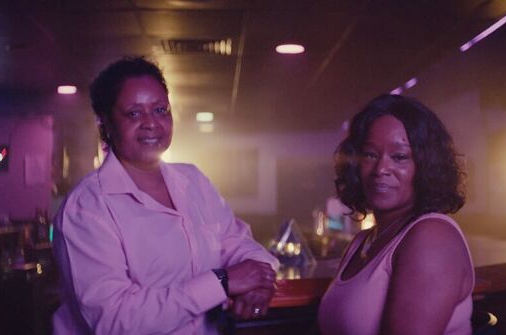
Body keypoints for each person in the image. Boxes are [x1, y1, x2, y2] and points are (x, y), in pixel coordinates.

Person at [52, 56, 279, 335]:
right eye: (134, 113)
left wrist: (259, 279)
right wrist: (222, 282)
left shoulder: (192, 180)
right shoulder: (87, 207)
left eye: (160, 110)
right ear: (105, 123)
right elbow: (114, 320)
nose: (151, 123)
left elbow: (234, 241)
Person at [318, 94, 473, 335]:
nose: (381, 169)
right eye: (370, 154)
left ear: (426, 165)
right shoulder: (362, 242)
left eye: (399, 157)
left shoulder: (432, 236)